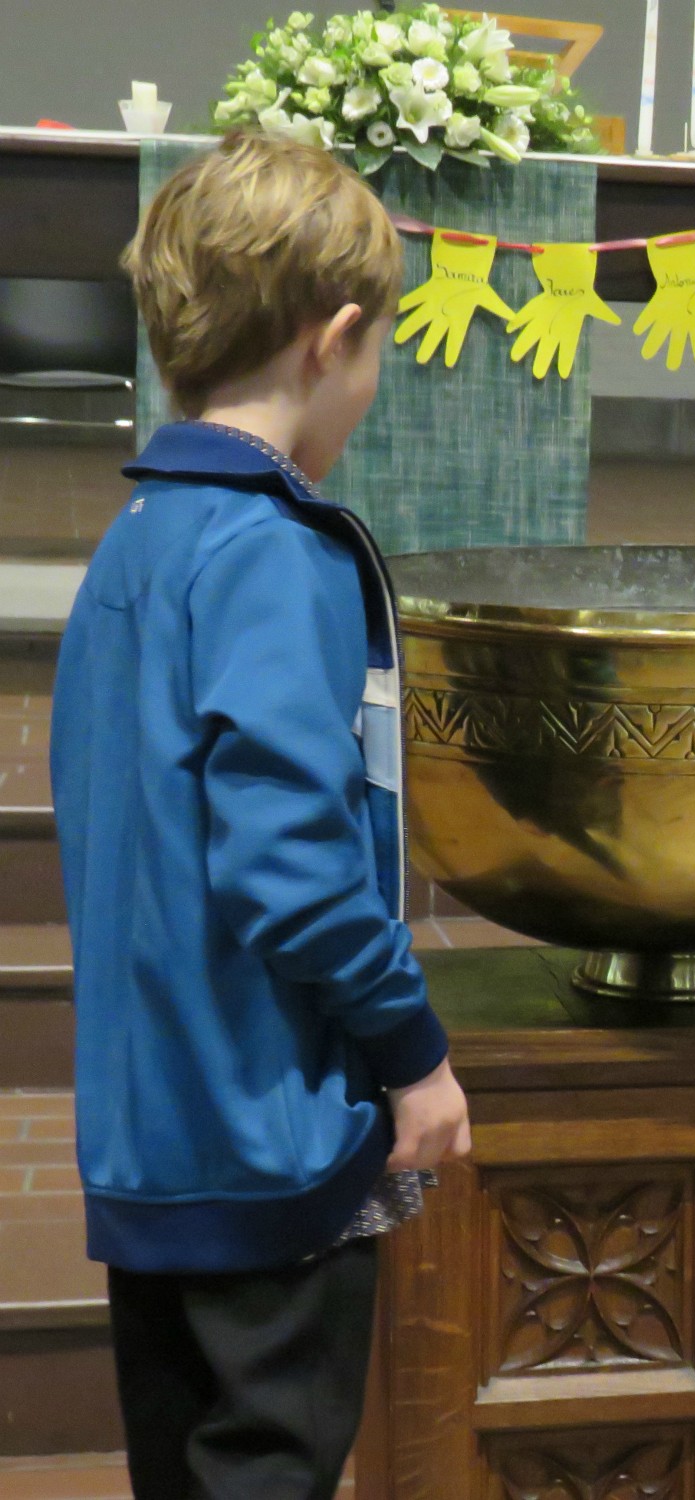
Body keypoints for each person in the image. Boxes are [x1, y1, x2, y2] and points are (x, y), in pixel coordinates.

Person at [48, 132, 472, 1500]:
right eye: (377, 350)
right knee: (274, 1468)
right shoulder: (271, 553)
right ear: (331, 336)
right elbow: (293, 865)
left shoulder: (140, 538)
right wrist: (412, 1054)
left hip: (151, 1125)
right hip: (263, 1127)